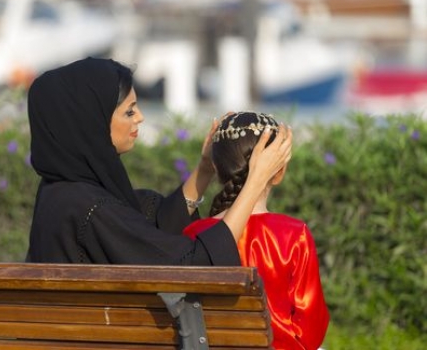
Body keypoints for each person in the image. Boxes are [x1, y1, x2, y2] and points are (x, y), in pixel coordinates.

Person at [25, 57, 292, 265]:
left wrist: (204, 169)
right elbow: (195, 263)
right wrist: (256, 181)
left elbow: (147, 231)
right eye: (129, 111)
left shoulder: (63, 192)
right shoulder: (90, 209)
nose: (139, 117)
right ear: (91, 123)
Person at [183, 112, 329, 350]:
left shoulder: (194, 233)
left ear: (217, 169)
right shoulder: (294, 234)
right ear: (279, 172)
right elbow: (311, 330)